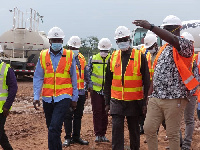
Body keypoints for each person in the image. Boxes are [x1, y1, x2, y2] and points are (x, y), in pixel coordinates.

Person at [133, 15, 199, 150]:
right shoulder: (163, 49)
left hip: (175, 98)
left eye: (169, 29)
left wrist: (151, 27)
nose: (166, 32)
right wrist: (148, 96)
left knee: (172, 133)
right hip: (157, 97)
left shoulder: (186, 45)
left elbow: (173, 39)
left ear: (178, 29)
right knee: (149, 128)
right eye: (165, 29)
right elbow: (155, 75)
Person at [104, 26, 150, 150]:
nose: (122, 42)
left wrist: (145, 102)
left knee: (134, 131)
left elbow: (146, 81)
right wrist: (107, 102)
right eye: (119, 40)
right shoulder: (113, 57)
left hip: (134, 102)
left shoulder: (140, 56)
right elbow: (107, 81)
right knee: (116, 130)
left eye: (124, 39)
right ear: (116, 42)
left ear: (129, 39)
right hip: (116, 101)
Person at [33, 27, 78, 150]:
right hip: (47, 98)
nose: (57, 42)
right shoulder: (43, 55)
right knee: (52, 130)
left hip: (64, 96)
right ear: (49, 40)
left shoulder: (69, 55)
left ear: (62, 41)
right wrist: (36, 96)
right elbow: (38, 77)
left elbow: (74, 78)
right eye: (54, 40)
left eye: (59, 40)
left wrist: (75, 98)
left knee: (54, 128)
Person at [63, 36, 89, 146]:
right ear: (68, 46)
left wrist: (86, 88)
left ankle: (76, 136)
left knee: (78, 115)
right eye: (72, 47)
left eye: (76, 47)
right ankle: (68, 137)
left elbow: (86, 75)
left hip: (81, 92)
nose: (74, 49)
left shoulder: (82, 58)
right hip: (68, 92)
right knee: (68, 115)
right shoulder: (63, 58)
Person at [88, 38, 111, 142]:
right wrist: (90, 86)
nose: (104, 53)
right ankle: (98, 134)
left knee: (105, 112)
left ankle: (103, 134)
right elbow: (88, 73)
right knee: (97, 112)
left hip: (108, 91)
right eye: (102, 50)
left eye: (105, 51)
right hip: (96, 91)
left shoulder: (112, 59)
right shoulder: (93, 59)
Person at [180, 32, 200, 150]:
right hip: (178, 95)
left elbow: (196, 79)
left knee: (188, 119)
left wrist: (188, 91)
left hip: (190, 94)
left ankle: (186, 144)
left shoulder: (192, 61)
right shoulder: (176, 59)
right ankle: (178, 142)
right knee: (175, 120)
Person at [0, 61, 18, 150]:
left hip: (1, 109)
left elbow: (13, 88)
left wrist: (7, 105)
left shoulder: (6, 69)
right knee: (2, 137)